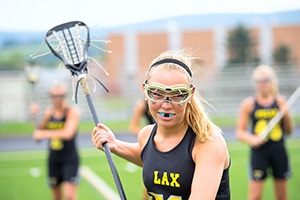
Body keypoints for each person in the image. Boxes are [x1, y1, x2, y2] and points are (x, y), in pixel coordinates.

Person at [92, 50, 231, 200]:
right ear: (145, 91)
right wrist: (115, 145)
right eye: (157, 93)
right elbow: (151, 156)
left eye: (177, 94)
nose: (166, 104)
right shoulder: (146, 135)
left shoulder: (208, 143)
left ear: (190, 95)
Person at [236, 64, 293, 200]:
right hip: (259, 152)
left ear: (272, 81)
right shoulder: (249, 104)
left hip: (279, 150)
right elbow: (240, 132)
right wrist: (252, 139)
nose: (262, 84)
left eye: (265, 80)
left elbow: (289, 131)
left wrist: (286, 114)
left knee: (282, 196)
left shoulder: (280, 102)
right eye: (258, 81)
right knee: (255, 197)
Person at [30, 83, 81, 200]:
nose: (57, 99)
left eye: (60, 96)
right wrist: (34, 116)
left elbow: (68, 134)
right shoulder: (49, 113)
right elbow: (38, 135)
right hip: (54, 158)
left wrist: (44, 134)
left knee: (70, 196)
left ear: (65, 96)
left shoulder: (72, 112)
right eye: (54, 96)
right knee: (56, 197)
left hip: (70, 158)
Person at [129, 99, 156, 199]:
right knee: (150, 178)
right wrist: (150, 136)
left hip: (178, 142)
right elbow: (133, 127)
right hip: (154, 145)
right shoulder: (142, 105)